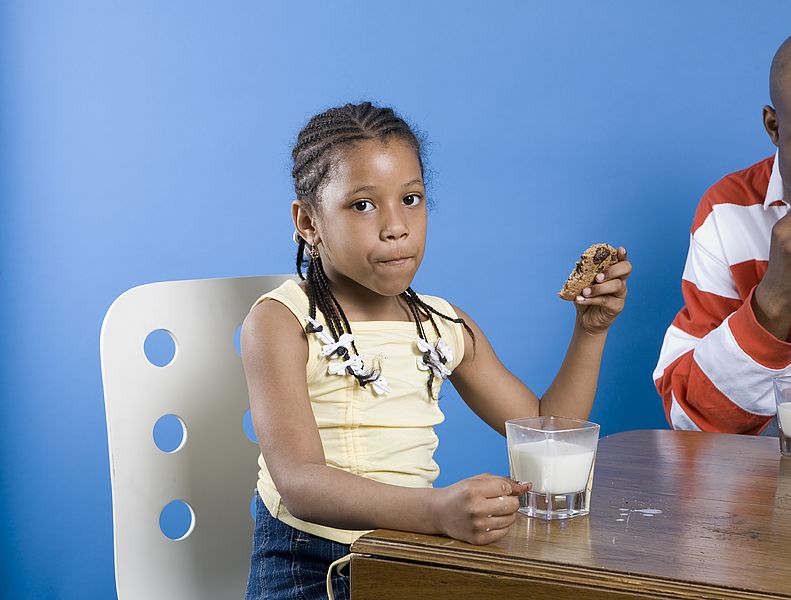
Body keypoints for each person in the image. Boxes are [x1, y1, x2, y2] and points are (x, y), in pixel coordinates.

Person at [241, 101, 632, 600]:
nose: (395, 226)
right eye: (363, 204)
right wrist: (437, 510)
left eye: (411, 198)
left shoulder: (441, 324)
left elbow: (546, 428)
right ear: (308, 223)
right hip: (310, 566)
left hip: (408, 552)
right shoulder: (284, 320)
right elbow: (301, 483)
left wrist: (591, 331)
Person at [653, 21, 791, 450]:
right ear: (773, 127)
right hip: (786, 499)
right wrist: (774, 301)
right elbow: (691, 421)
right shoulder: (728, 211)